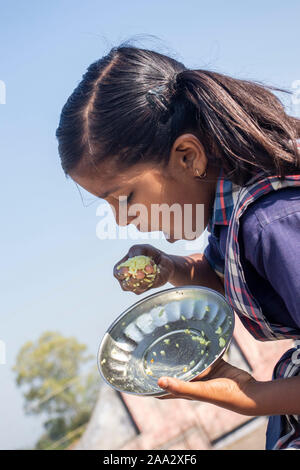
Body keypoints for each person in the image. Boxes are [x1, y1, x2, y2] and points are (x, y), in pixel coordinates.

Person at [56, 44, 300, 450]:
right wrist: (171, 268)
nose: (121, 219)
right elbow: (229, 278)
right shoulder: (231, 213)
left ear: (188, 157)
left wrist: (249, 395)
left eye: (126, 197)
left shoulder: (271, 221)